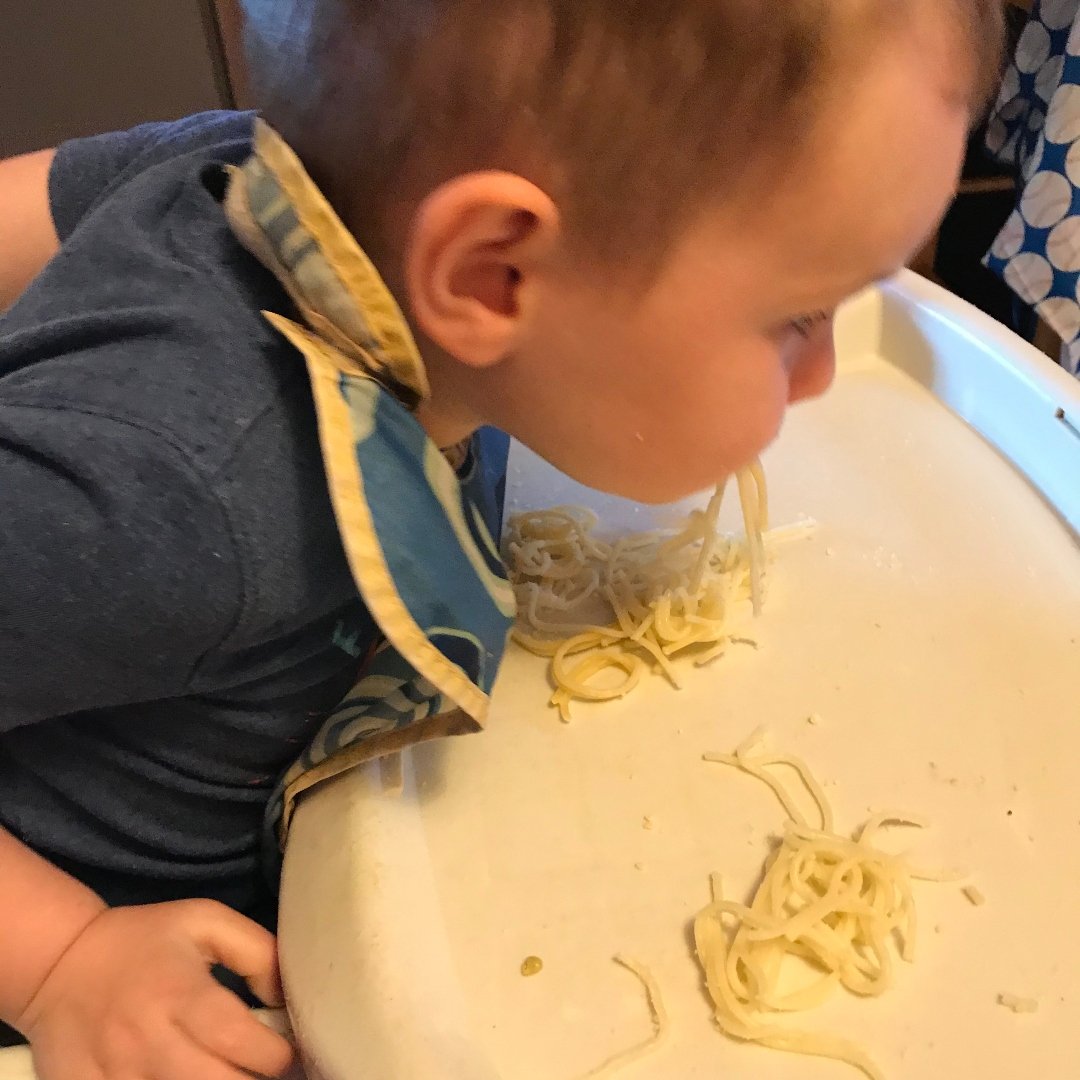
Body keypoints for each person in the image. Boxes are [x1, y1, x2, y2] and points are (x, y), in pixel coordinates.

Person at [0, 1, 1002, 1076]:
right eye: (796, 319)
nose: (820, 379)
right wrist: (61, 962)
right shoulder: (188, 492)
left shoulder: (275, 177)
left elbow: (32, 205)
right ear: (493, 276)